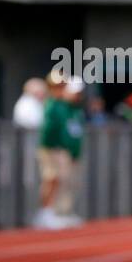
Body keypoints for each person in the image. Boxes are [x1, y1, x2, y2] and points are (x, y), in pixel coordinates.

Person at [36, 74, 85, 228]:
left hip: (63, 150)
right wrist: (54, 146)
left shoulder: (69, 107)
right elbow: (49, 129)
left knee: (64, 181)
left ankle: (60, 212)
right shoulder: (53, 105)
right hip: (53, 149)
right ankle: (47, 212)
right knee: (52, 179)